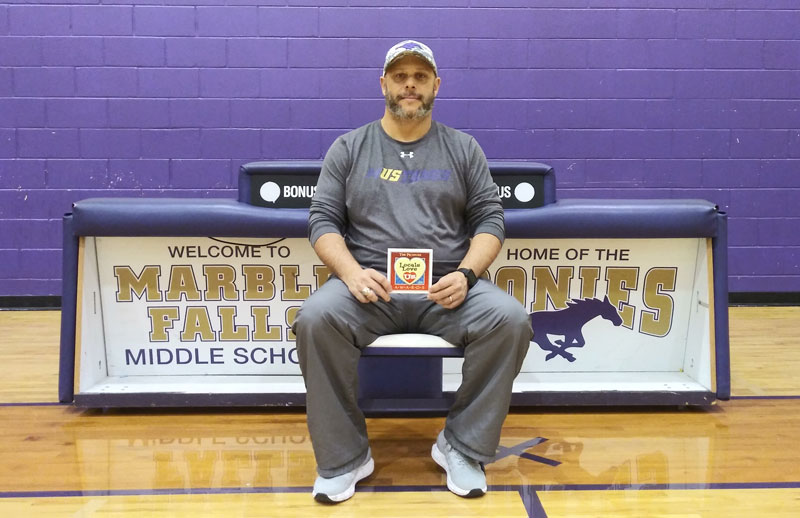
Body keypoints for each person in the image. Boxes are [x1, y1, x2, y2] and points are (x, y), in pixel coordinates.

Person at [294, 40, 533, 504]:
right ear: (383, 83)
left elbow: (491, 220)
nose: (409, 84)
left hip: (447, 289)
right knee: (315, 319)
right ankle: (345, 458)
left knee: (510, 320)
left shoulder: (463, 148)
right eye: (400, 76)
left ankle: (462, 446)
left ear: (436, 86)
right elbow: (322, 220)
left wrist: (465, 274)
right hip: (370, 290)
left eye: (420, 77)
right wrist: (350, 273)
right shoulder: (349, 147)